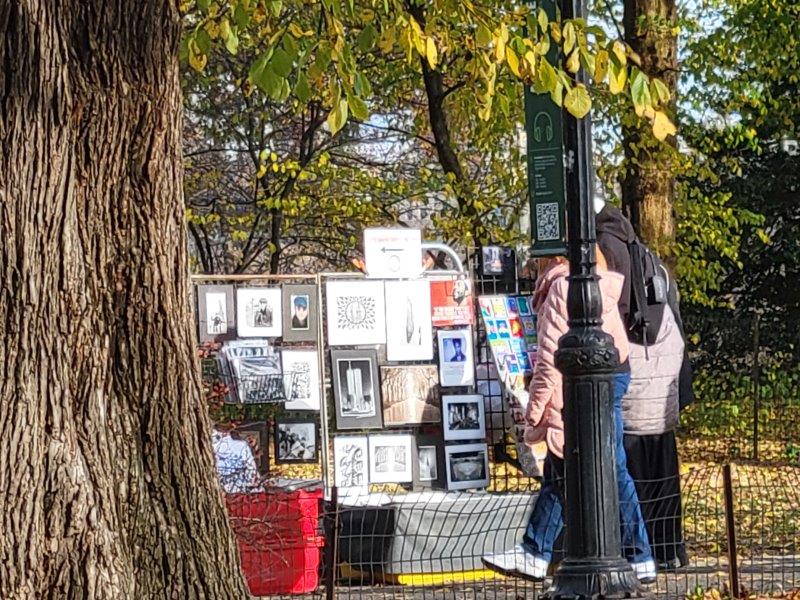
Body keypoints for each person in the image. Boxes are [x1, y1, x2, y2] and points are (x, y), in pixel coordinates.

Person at [482, 251, 656, 583]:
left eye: (536, 257)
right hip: (608, 375)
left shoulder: (561, 287)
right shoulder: (592, 282)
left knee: (575, 464)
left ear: (552, 257)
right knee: (581, 466)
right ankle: (543, 550)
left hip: (580, 382)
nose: (532, 264)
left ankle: (540, 551)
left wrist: (532, 415)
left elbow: (549, 363)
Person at [596, 198, 692, 569]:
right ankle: (670, 548)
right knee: (662, 463)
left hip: (633, 370)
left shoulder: (604, 250)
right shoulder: (644, 251)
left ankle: (638, 552)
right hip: (664, 366)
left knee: (628, 465)